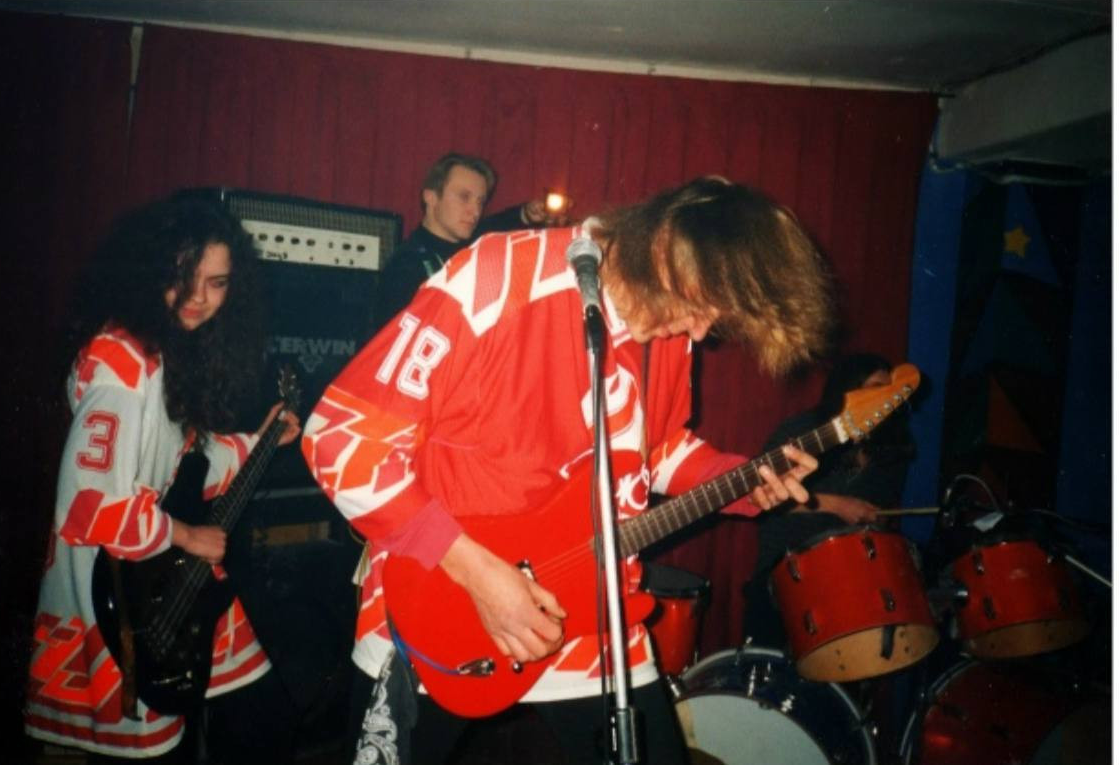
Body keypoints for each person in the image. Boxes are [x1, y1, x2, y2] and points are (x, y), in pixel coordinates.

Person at [302, 176, 835, 764]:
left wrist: (743, 483)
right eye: (700, 307)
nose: (702, 332)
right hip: (437, 605)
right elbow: (340, 440)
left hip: (593, 614)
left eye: (717, 318)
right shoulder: (496, 277)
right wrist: (480, 575)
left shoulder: (670, 328)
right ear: (664, 249)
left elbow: (654, 454)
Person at [24, 196, 302, 763]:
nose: (198, 298)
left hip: (159, 576)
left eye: (216, 283)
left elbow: (185, 459)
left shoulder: (163, 351)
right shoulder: (120, 361)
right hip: (119, 593)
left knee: (259, 716)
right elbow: (88, 505)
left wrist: (261, 440)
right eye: (183, 277)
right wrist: (187, 535)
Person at [742, 352, 917, 648]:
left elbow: (883, 515)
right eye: (876, 388)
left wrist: (877, 519)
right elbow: (760, 499)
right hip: (786, 574)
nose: (886, 398)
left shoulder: (890, 450)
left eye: (891, 392)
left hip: (851, 579)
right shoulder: (804, 431)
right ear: (849, 389)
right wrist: (839, 505)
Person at [375, 151, 563, 327]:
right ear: (431, 197)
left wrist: (526, 215)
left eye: (480, 202)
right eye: (464, 197)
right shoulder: (405, 266)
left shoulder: (473, 244)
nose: (475, 211)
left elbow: (498, 225)